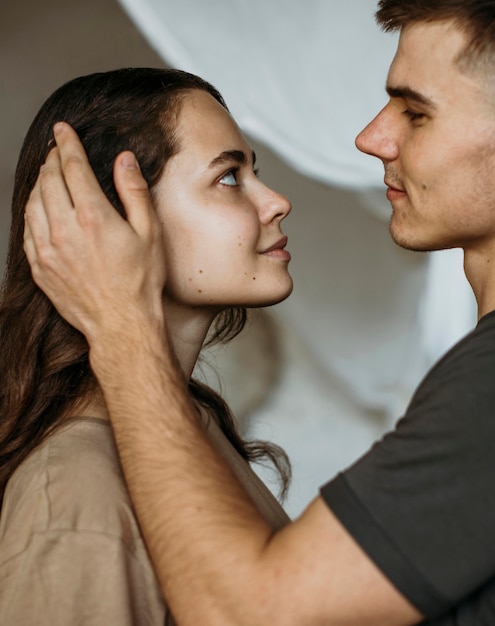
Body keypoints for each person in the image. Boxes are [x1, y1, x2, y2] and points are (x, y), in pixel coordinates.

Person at [22, 0, 495, 624]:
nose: (372, 138)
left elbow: (248, 611)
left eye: (416, 112)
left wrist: (122, 324)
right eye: (229, 177)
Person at [0, 67, 292, 625]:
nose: (277, 202)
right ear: (108, 219)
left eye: (255, 171)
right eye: (229, 177)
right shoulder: (71, 490)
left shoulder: (192, 428)